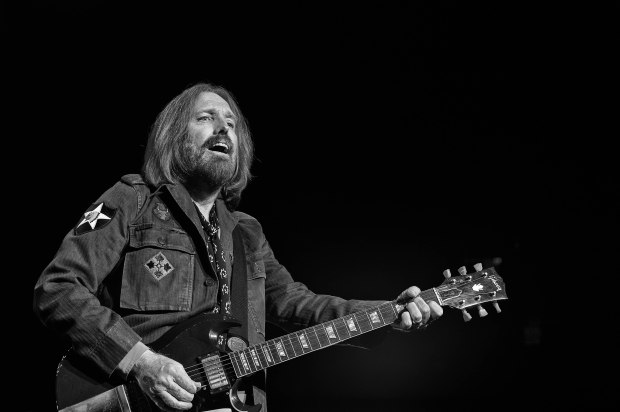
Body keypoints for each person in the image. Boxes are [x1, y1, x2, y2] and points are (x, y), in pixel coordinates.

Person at [33, 83, 443, 412]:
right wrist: (143, 362)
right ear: (174, 137)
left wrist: (388, 312)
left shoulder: (246, 232)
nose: (223, 128)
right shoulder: (132, 199)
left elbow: (296, 304)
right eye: (206, 118)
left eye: (230, 123)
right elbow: (59, 288)